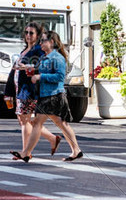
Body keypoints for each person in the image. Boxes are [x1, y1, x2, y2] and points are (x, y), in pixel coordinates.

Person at [17, 30, 83, 162]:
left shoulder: (57, 58)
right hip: (46, 95)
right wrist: (27, 68)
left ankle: (26, 153)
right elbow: (39, 69)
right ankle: (76, 150)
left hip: (54, 95)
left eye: (43, 40)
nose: (40, 43)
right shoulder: (45, 57)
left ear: (51, 42)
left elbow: (59, 77)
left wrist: (40, 76)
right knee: (61, 123)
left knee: (37, 123)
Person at [5, 22, 61, 161]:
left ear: (37, 36)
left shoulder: (38, 50)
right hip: (21, 89)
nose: (28, 36)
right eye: (26, 33)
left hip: (30, 90)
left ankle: (26, 152)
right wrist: (8, 91)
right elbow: (13, 72)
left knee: (25, 120)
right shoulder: (24, 50)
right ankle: (52, 139)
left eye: (31, 33)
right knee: (25, 120)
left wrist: (28, 67)